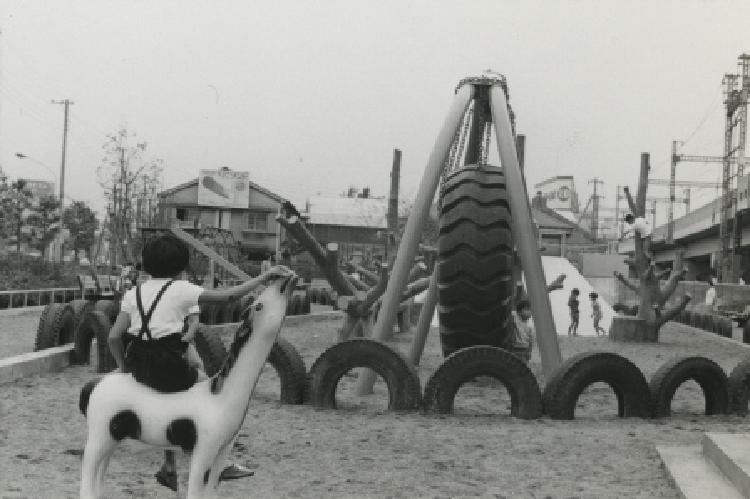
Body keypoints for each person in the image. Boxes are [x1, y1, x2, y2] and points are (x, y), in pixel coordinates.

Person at [108, 234, 292, 492]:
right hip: (168, 364)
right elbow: (227, 298)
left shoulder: (132, 293)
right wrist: (263, 278)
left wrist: (124, 367)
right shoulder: (182, 289)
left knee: (173, 400)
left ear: (145, 263)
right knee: (218, 399)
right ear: (181, 264)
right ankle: (220, 461)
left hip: (139, 364)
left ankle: (169, 464)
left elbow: (114, 336)